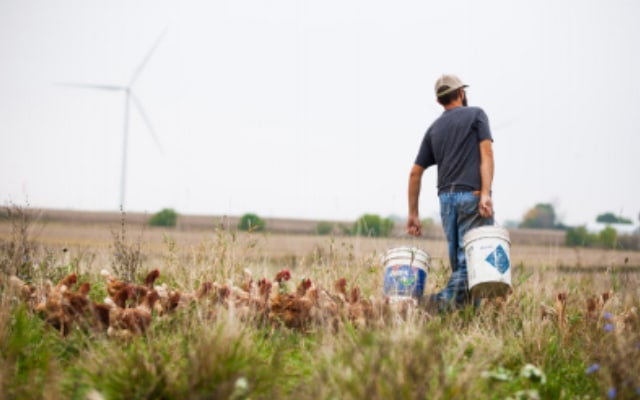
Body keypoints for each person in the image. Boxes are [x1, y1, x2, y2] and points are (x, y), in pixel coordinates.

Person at [407, 74, 495, 312]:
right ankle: (435, 305)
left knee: (461, 264)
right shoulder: (477, 114)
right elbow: (486, 155)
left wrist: (413, 214)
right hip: (473, 195)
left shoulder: (433, 129)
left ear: (439, 101)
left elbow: (415, 173)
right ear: (461, 93)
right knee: (474, 260)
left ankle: (467, 318)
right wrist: (485, 193)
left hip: (445, 200)